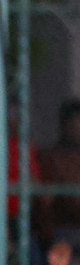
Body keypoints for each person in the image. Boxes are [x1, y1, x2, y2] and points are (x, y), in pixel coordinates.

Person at [38, 98, 80, 246]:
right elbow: (45, 202)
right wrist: (49, 238)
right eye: (76, 123)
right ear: (64, 125)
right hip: (65, 232)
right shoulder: (51, 158)